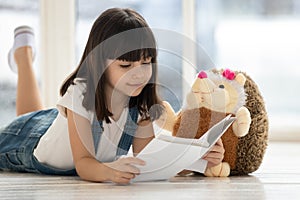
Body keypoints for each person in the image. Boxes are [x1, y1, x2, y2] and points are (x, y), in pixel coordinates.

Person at [0, 8, 225, 184]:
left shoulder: (140, 103)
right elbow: (84, 164)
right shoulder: (80, 92)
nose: (138, 74)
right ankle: (24, 55)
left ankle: (23, 53)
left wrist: (197, 161)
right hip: (31, 143)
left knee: (33, 114)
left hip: (61, 127)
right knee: (27, 119)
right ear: (99, 63)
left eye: (145, 63)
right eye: (126, 65)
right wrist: (110, 170)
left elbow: (149, 162)